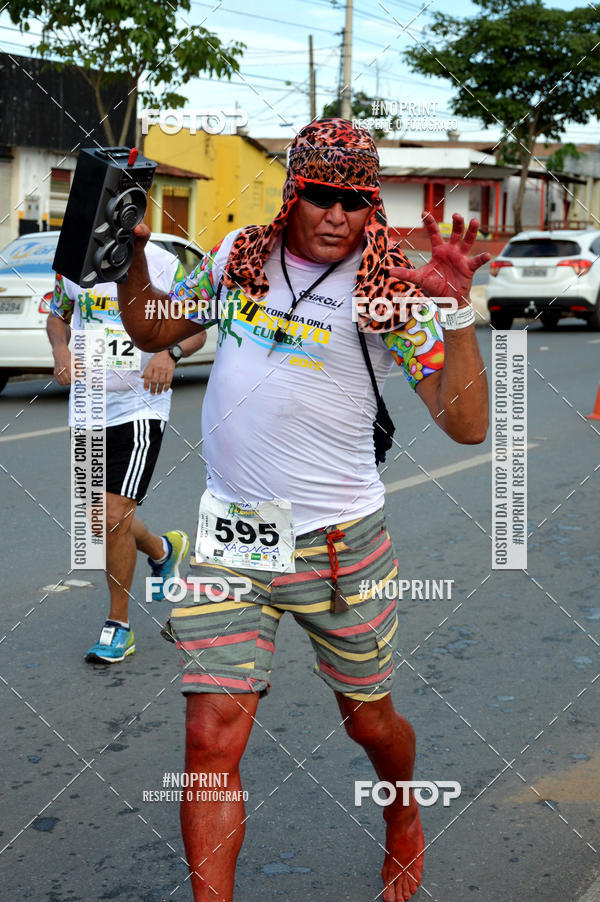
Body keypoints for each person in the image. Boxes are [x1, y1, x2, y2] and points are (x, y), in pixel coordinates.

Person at [116, 119, 490, 902]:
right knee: (210, 734)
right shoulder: (239, 259)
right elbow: (154, 324)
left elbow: (468, 426)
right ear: (293, 194)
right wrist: (122, 261)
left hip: (339, 542)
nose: (335, 215)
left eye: (354, 201)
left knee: (369, 722)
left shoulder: (392, 290)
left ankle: (402, 816)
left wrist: (456, 315)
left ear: (371, 207)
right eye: (319, 195)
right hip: (235, 535)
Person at [47, 241, 206, 663]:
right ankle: (162, 550)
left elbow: (196, 329)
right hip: (86, 407)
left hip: (140, 405)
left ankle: (118, 626)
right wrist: (60, 349)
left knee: (113, 515)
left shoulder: (163, 263)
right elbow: (57, 315)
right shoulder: (75, 262)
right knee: (99, 517)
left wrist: (167, 352)